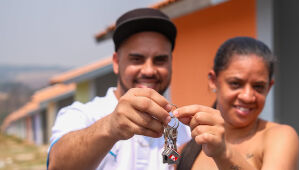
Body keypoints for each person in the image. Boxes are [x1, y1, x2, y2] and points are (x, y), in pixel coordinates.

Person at [47, 8, 191, 170]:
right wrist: (110, 127)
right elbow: (57, 165)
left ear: (171, 63)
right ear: (116, 62)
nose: (149, 70)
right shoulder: (81, 115)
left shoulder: (182, 130)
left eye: (160, 60)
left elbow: (172, 162)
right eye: (137, 59)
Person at [174, 37, 299, 170]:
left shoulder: (279, 137)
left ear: (269, 87)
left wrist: (223, 152)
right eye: (235, 84)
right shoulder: (190, 147)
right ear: (213, 80)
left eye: (258, 86)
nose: (247, 96)